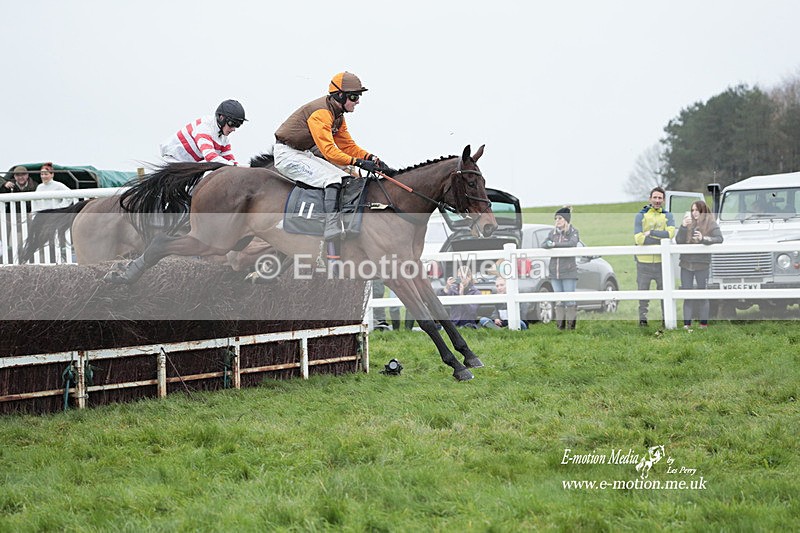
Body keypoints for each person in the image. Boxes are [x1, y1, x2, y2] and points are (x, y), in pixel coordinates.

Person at [272, 71, 395, 260]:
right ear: (340, 95)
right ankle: (331, 228)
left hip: (301, 153)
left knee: (345, 178)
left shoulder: (338, 115)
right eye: (354, 97)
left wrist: (370, 157)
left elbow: (347, 146)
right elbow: (329, 151)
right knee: (332, 178)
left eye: (358, 97)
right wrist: (359, 162)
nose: (357, 102)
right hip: (286, 154)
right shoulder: (321, 114)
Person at [676, 200, 722, 330]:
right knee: (687, 294)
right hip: (686, 264)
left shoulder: (711, 223)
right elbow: (679, 241)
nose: (694, 213)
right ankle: (687, 325)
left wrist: (703, 239)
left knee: (703, 294)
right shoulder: (688, 222)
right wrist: (683, 226)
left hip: (702, 264)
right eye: (692, 210)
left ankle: (703, 325)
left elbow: (719, 239)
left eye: (697, 210)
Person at [633, 187, 675, 326]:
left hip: (661, 262)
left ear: (663, 200)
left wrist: (650, 233)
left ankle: (666, 319)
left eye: (660, 198)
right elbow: (638, 239)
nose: (657, 200)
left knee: (664, 292)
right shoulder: (640, 215)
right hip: (643, 262)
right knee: (643, 293)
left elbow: (670, 235)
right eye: (655, 198)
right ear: (650, 199)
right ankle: (643, 320)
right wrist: (659, 239)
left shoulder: (668, 215)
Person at [159, 99, 245, 165]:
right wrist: (234, 166)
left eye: (237, 125)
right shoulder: (204, 127)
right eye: (232, 124)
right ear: (221, 118)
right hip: (171, 162)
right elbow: (210, 157)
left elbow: (230, 161)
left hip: (187, 166)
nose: (234, 129)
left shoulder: (223, 138)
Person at [542, 207, 580, 330]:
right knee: (559, 300)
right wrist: (549, 244)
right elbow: (543, 244)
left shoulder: (573, 232)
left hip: (568, 272)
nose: (557, 221)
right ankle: (560, 327)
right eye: (556, 218)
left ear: (566, 220)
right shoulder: (552, 233)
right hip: (555, 272)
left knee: (569, 300)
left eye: (560, 218)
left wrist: (554, 245)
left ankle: (571, 327)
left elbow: (572, 243)